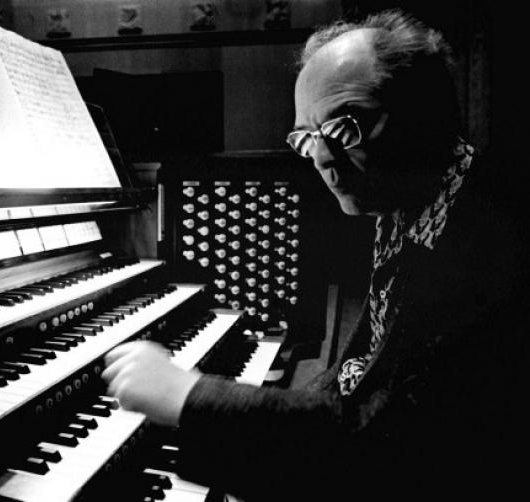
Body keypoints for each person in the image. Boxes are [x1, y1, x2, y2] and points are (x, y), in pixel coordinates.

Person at [102, 10, 528, 500]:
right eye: (307, 138)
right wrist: (249, 405)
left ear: (426, 114)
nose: (322, 158)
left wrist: (190, 396)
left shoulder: (493, 243)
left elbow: (392, 448)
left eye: (347, 126)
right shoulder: (412, 202)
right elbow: (360, 372)